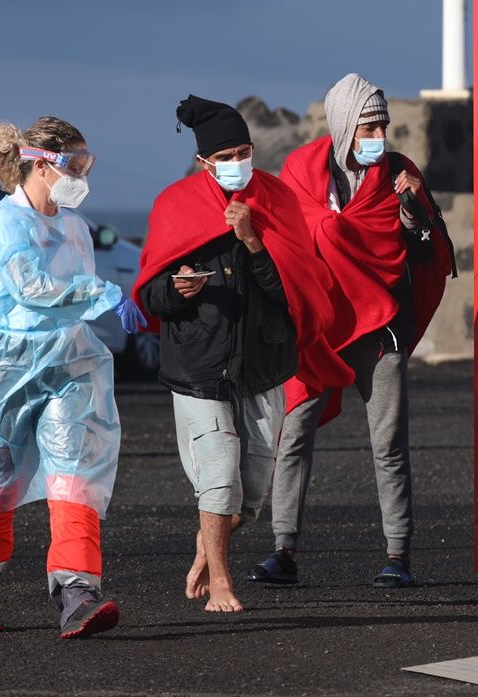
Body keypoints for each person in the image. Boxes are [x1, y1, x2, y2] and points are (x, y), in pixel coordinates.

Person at [134, 96, 348, 612]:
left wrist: (251, 238)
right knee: (220, 475)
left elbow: (294, 290)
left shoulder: (277, 200)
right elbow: (149, 294)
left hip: (262, 365)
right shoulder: (176, 204)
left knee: (249, 497)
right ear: (205, 161)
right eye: (225, 155)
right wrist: (176, 290)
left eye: (243, 150)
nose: (237, 162)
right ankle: (222, 583)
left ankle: (207, 548)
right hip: (198, 365)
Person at [0, 116, 145, 637]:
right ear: (39, 164)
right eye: (72, 164)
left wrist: (100, 297)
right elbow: (31, 287)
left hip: (70, 358)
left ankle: (78, 594)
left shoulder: (75, 224)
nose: (81, 174)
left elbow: (69, 286)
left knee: (74, 473)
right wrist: (104, 295)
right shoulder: (2, 225)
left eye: (85, 163)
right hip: (5, 364)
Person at [250, 74, 454, 588]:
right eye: (367, 125)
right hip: (320, 325)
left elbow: (427, 248)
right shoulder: (301, 170)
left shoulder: (401, 174)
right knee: (293, 433)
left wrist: (413, 206)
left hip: (381, 325)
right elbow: (284, 239)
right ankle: (283, 550)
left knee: (388, 443)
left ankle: (398, 557)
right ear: (344, 126)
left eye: (381, 125)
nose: (377, 135)